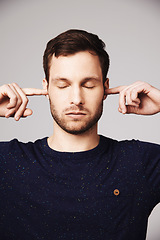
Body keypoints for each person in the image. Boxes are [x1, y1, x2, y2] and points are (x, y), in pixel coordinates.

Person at [0, 29, 160, 240]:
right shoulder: (7, 161)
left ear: (105, 88)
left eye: (88, 84)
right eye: (63, 85)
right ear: (46, 88)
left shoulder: (141, 162)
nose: (76, 98)